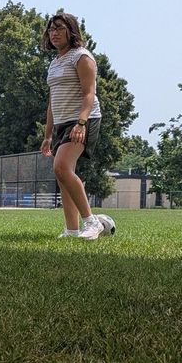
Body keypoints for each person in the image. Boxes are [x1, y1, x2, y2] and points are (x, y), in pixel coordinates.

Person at [38, 13, 114, 240]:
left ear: (71, 31)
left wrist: (81, 122)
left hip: (84, 120)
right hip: (61, 123)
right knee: (64, 175)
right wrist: (48, 135)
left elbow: (89, 93)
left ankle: (92, 222)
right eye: (51, 29)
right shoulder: (54, 63)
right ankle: (71, 230)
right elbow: (53, 100)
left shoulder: (81, 57)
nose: (54, 33)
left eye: (60, 28)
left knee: (61, 167)